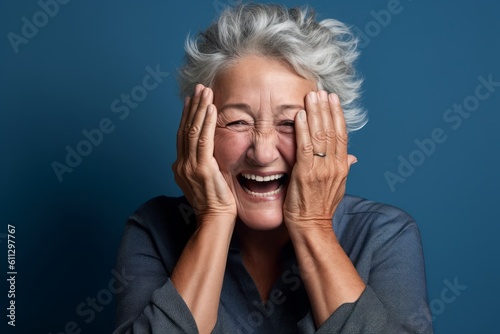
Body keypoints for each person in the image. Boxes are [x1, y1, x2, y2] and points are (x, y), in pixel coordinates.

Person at [113, 3, 432, 334]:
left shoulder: (384, 235)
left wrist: (314, 227)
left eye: (289, 123)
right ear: (198, 131)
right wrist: (213, 220)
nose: (262, 153)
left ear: (333, 135)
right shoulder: (153, 229)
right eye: (237, 121)